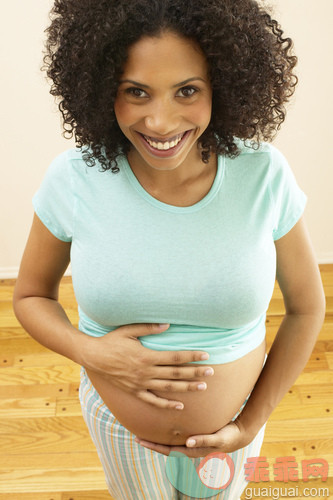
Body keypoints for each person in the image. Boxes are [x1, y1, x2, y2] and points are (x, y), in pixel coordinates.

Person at [13, 0, 325, 498]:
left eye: (187, 90)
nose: (160, 122)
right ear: (100, 91)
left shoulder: (263, 173)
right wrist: (93, 353)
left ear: (221, 87)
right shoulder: (74, 179)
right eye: (136, 92)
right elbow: (30, 297)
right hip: (120, 431)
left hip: (233, 431)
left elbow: (308, 308)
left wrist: (248, 425)